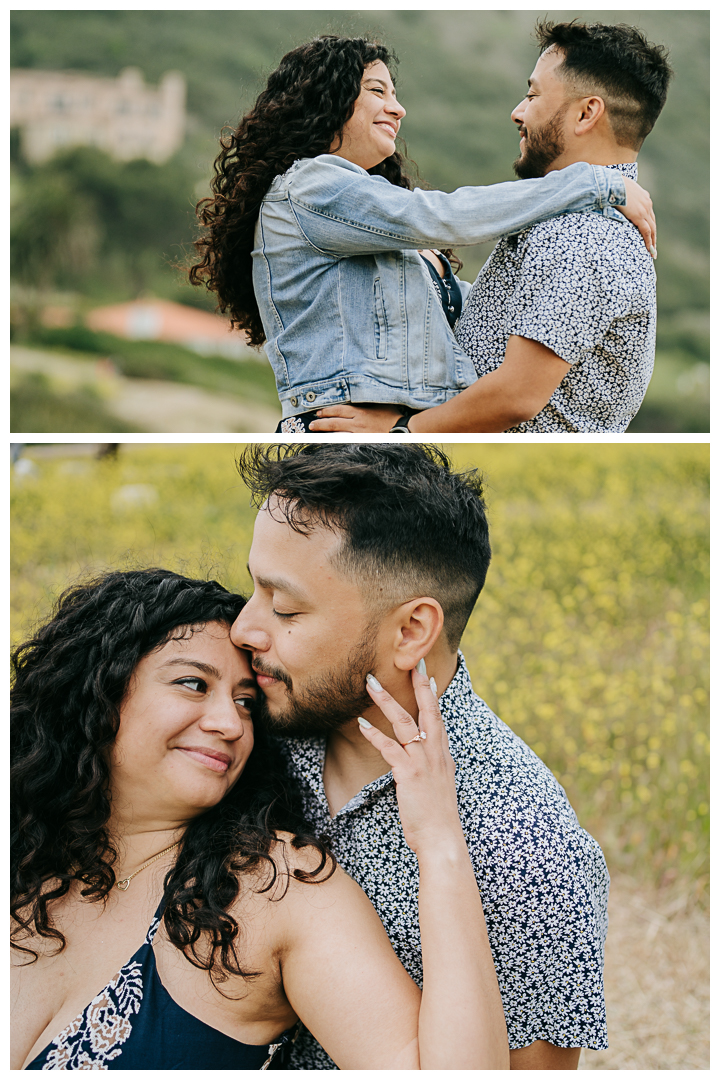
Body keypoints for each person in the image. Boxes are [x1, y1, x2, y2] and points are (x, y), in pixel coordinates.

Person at [11, 568, 508, 1070]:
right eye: (193, 684)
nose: (229, 724)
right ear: (97, 687)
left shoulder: (271, 887)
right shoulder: (21, 845)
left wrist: (440, 840)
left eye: (246, 702)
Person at [231, 444, 611, 1070]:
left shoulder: (528, 849)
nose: (245, 629)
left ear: (410, 632)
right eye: (254, 587)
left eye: (286, 607)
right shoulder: (242, 724)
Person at [189, 34, 656, 433]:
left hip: (382, 431)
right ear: (325, 98)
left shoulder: (582, 238)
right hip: (344, 428)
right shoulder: (311, 186)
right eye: (377, 91)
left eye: (395, 94)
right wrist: (598, 183)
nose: (399, 108)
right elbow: (440, 216)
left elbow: (477, 324)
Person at [311, 20, 673, 434]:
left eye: (533, 94)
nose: (517, 112)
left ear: (586, 113)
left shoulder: (583, 234)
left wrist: (399, 432)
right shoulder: (567, 217)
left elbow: (516, 396)